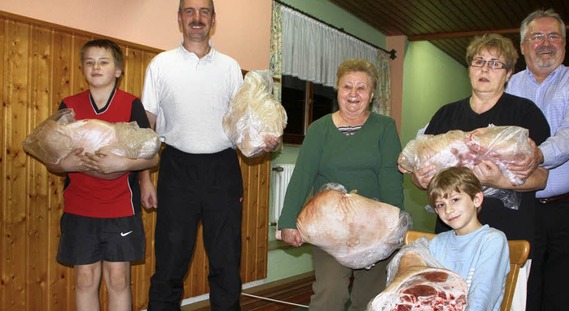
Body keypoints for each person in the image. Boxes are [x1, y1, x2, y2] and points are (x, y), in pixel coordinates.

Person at [142, 0, 278, 309]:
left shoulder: (230, 67)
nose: (197, 18)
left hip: (223, 171)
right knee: (169, 266)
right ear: (180, 19)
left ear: (213, 19)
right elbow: (146, 128)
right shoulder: (160, 65)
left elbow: (242, 122)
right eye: (189, 11)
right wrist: (144, 180)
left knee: (226, 264)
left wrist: (261, 140)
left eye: (204, 11)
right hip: (176, 169)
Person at [404, 33, 550, 310]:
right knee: (448, 301)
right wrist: (419, 178)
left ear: (508, 73)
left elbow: (542, 177)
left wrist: (499, 180)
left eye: (495, 64)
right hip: (453, 235)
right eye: (478, 61)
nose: (484, 69)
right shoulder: (446, 115)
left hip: (510, 233)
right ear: (469, 68)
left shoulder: (525, 113)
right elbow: (421, 171)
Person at [278, 58, 404, 311]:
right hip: (329, 229)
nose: (353, 94)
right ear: (337, 90)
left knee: (370, 298)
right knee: (330, 292)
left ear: (371, 95)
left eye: (361, 88)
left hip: (374, 229)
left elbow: (390, 176)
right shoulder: (319, 129)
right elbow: (303, 175)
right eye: (347, 87)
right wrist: (287, 221)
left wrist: (396, 227)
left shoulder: (385, 127)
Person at [46, 39, 159, 311]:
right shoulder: (69, 106)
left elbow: (152, 155)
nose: (96, 67)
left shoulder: (131, 105)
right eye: (90, 62)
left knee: (118, 279)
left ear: (118, 70)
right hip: (79, 207)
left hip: (120, 206)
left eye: (104, 61)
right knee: (85, 279)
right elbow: (52, 161)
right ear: (83, 69)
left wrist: (127, 169)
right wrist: (67, 164)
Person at [505, 9, 569, 311]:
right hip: (520, 207)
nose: (546, 43)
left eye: (554, 36)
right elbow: (477, 123)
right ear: (522, 47)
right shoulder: (508, 85)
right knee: (521, 290)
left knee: (565, 294)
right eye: (537, 37)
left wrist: (539, 154)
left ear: (564, 44)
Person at [426, 167, 510, 311]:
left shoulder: (493, 240)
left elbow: (482, 298)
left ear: (476, 199)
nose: (448, 210)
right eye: (441, 205)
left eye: (455, 200)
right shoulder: (437, 243)